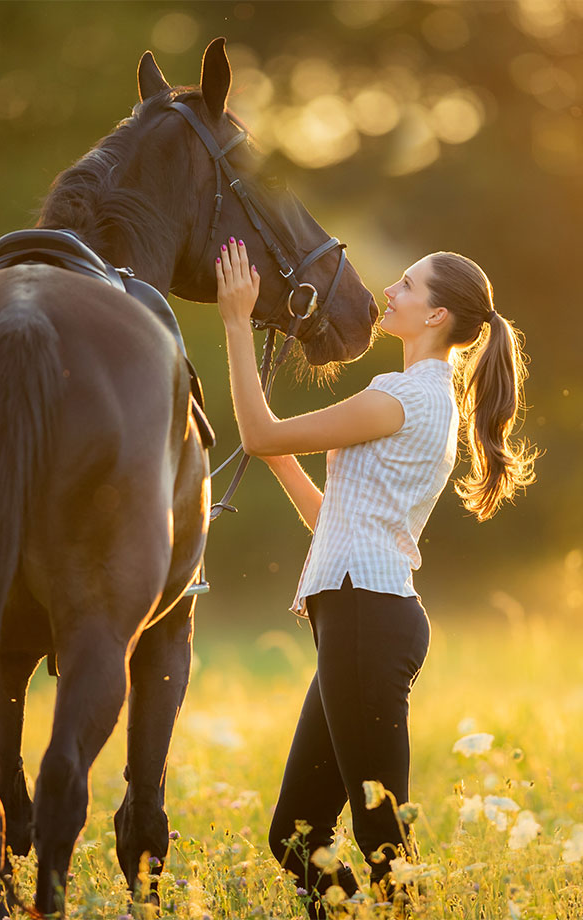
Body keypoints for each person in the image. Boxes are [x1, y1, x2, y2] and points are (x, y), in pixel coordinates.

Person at [210, 237, 538, 917]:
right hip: (363, 616)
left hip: (368, 618)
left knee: (379, 834)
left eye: (409, 286)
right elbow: (335, 518)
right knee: (296, 837)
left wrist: (237, 322)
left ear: (436, 316)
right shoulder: (426, 401)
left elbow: (258, 432)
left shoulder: (402, 397)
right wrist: (281, 458)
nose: (391, 290)